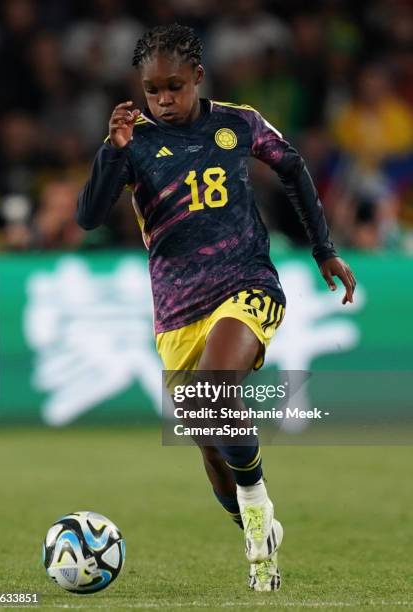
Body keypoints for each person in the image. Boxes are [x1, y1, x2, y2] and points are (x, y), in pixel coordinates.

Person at [76, 23, 356, 593]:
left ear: (198, 77)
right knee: (208, 437)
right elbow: (87, 217)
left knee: (215, 386)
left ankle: (256, 504)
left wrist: (323, 248)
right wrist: (112, 152)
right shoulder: (134, 143)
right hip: (178, 307)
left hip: (247, 281)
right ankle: (253, 523)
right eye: (152, 91)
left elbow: (293, 167)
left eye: (174, 88)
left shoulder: (239, 122)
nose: (163, 101)